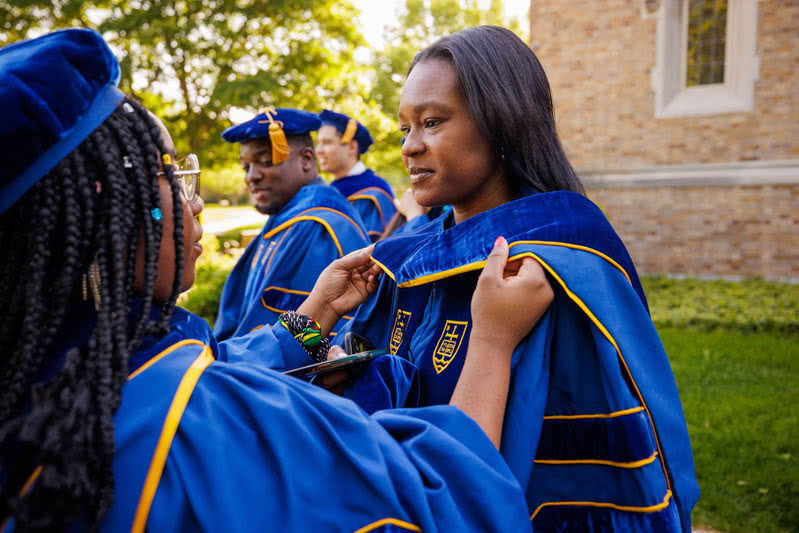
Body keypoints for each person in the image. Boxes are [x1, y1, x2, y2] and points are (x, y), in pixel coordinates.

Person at [0, 28, 553, 532]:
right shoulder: (195, 430)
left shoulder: (51, 369)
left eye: (432, 123)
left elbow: (234, 358)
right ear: (104, 214)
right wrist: (489, 342)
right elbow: (450, 500)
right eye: (171, 175)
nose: (196, 201)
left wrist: (314, 320)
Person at [334, 26, 700, 532]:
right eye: (405, 130)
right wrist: (312, 324)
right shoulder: (406, 257)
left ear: (501, 123)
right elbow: (342, 371)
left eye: (432, 122)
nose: (410, 147)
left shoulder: (548, 272)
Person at [213, 108, 370, 341]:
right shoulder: (287, 217)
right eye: (245, 167)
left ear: (306, 159)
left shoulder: (317, 227)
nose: (251, 176)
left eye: (265, 161)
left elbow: (312, 339)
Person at [316, 109, 397, 241]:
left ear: (352, 147)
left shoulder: (373, 195)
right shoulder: (330, 190)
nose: (318, 150)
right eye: (318, 143)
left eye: (327, 142)